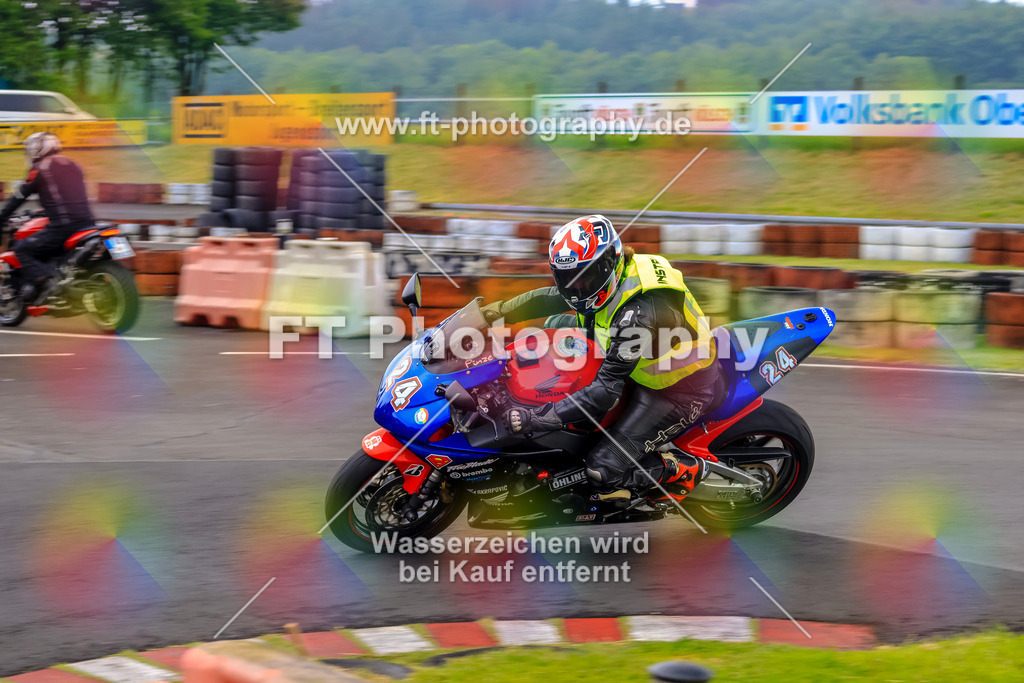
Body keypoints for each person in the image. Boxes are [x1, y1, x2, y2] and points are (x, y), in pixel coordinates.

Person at [487, 214, 721, 501]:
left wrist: (537, 419)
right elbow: (551, 297)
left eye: (584, 277)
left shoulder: (639, 313)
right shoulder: (604, 280)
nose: (576, 288)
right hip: (632, 353)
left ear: (610, 263)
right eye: (567, 278)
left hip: (677, 389)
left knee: (602, 469)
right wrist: (492, 312)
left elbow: (604, 392)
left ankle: (680, 469)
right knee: (549, 327)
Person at [0, 132, 95, 304]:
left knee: (21, 249)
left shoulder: (40, 168)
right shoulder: (74, 164)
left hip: (63, 228)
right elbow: (65, 198)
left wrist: (2, 217)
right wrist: (42, 212)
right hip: (88, 224)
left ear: (37, 149)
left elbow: (19, 197)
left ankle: (48, 283)